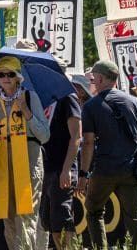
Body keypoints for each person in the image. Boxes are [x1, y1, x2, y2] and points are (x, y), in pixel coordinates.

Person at [77, 59, 137, 250]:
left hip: (104, 170)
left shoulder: (91, 106)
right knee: (135, 220)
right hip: (131, 169)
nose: (93, 83)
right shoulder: (135, 101)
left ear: (101, 78)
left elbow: (88, 142)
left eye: (93, 79)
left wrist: (83, 174)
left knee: (94, 211)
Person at [0, 56, 49, 250]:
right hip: (2, 164)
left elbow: (45, 135)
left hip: (28, 162)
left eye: (10, 74)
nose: (6, 77)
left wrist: (26, 111)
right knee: (8, 217)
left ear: (18, 78)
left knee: (25, 216)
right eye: (1, 74)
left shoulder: (30, 97)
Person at [40, 81, 82, 250]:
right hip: (45, 167)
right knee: (48, 220)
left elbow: (76, 137)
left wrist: (67, 169)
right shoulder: (42, 98)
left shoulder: (68, 97)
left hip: (61, 168)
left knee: (61, 219)